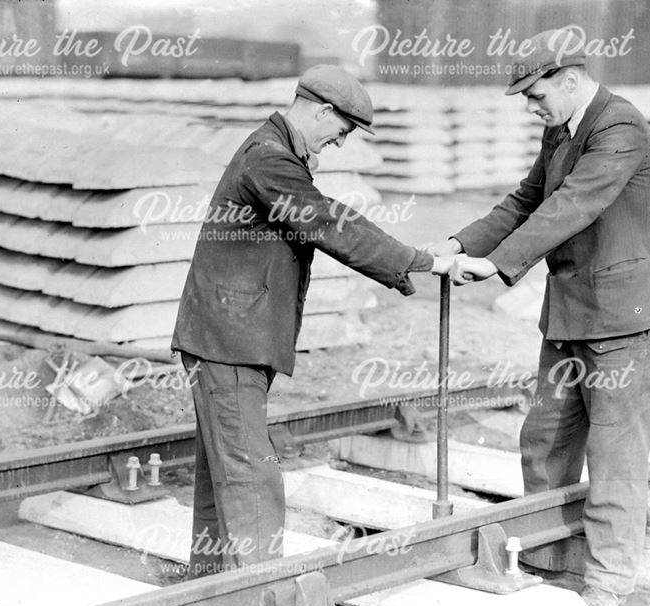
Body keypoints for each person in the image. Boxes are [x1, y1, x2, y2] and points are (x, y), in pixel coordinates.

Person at [172, 65, 452, 579]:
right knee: (254, 476)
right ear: (322, 110)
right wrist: (419, 260)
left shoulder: (273, 153)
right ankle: (259, 593)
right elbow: (328, 220)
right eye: (342, 131)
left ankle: (211, 585)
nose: (340, 143)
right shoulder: (270, 160)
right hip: (228, 342)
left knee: (225, 470)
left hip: (229, 337)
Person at [442, 28, 650, 606]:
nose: (531, 107)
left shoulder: (620, 127)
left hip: (622, 319)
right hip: (570, 314)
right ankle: (545, 559)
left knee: (616, 453)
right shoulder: (561, 129)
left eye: (537, 94)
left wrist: (497, 262)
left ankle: (611, 581)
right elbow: (527, 200)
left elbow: (573, 206)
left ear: (569, 79)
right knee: (545, 440)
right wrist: (459, 243)